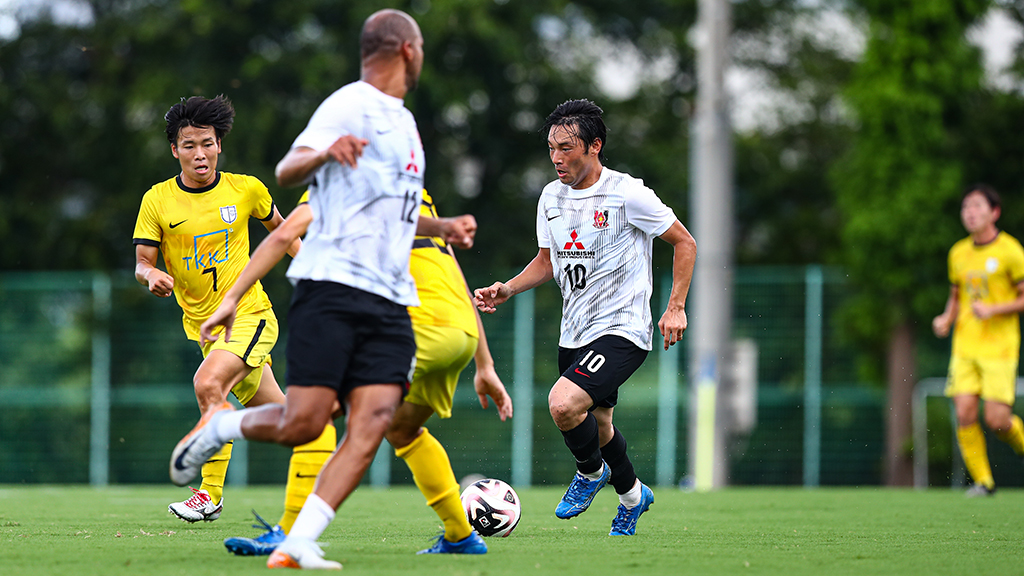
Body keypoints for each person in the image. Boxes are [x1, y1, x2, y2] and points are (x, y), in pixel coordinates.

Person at [168, 9, 477, 570]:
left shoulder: (404, 123)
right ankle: (222, 426)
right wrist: (324, 153)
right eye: (423, 47)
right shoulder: (349, 103)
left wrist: (442, 228)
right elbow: (289, 169)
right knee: (305, 421)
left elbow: (392, 212)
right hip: (332, 288)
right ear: (408, 50)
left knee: (374, 421)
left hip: (391, 296)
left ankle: (299, 541)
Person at [222, 189, 513, 557]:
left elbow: (283, 236)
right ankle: (460, 535)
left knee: (317, 412)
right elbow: (452, 267)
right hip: (458, 328)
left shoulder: (341, 179)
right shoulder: (417, 191)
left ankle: (291, 531)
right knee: (402, 429)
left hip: (415, 324)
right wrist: (484, 364)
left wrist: (232, 297)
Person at [474, 99, 696, 536]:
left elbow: (684, 243)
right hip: (575, 330)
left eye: (567, 147)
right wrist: (508, 288)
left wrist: (675, 307)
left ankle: (590, 474)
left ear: (594, 146)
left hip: (624, 329)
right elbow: (546, 261)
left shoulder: (627, 193)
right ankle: (633, 496)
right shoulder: (550, 197)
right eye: (552, 148)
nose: (557, 157)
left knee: (562, 403)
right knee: (599, 425)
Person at [133, 95, 336, 526]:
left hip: (250, 315)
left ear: (219, 144)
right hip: (203, 328)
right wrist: (149, 275)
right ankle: (328, 437)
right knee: (292, 422)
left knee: (209, 385)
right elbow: (143, 261)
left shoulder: (247, 189)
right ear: (175, 150)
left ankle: (208, 495)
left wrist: (320, 279)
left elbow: (284, 235)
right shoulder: (157, 200)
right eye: (188, 145)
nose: (199, 153)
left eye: (206, 143)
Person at [932, 183, 1024, 496]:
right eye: (966, 207)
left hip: (1000, 348)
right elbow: (956, 296)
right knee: (964, 413)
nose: (970, 213)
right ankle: (983, 481)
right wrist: (946, 319)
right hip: (965, 347)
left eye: (977, 207)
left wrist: (995, 309)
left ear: (994, 212)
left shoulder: (1011, 251)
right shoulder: (958, 252)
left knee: (998, 421)